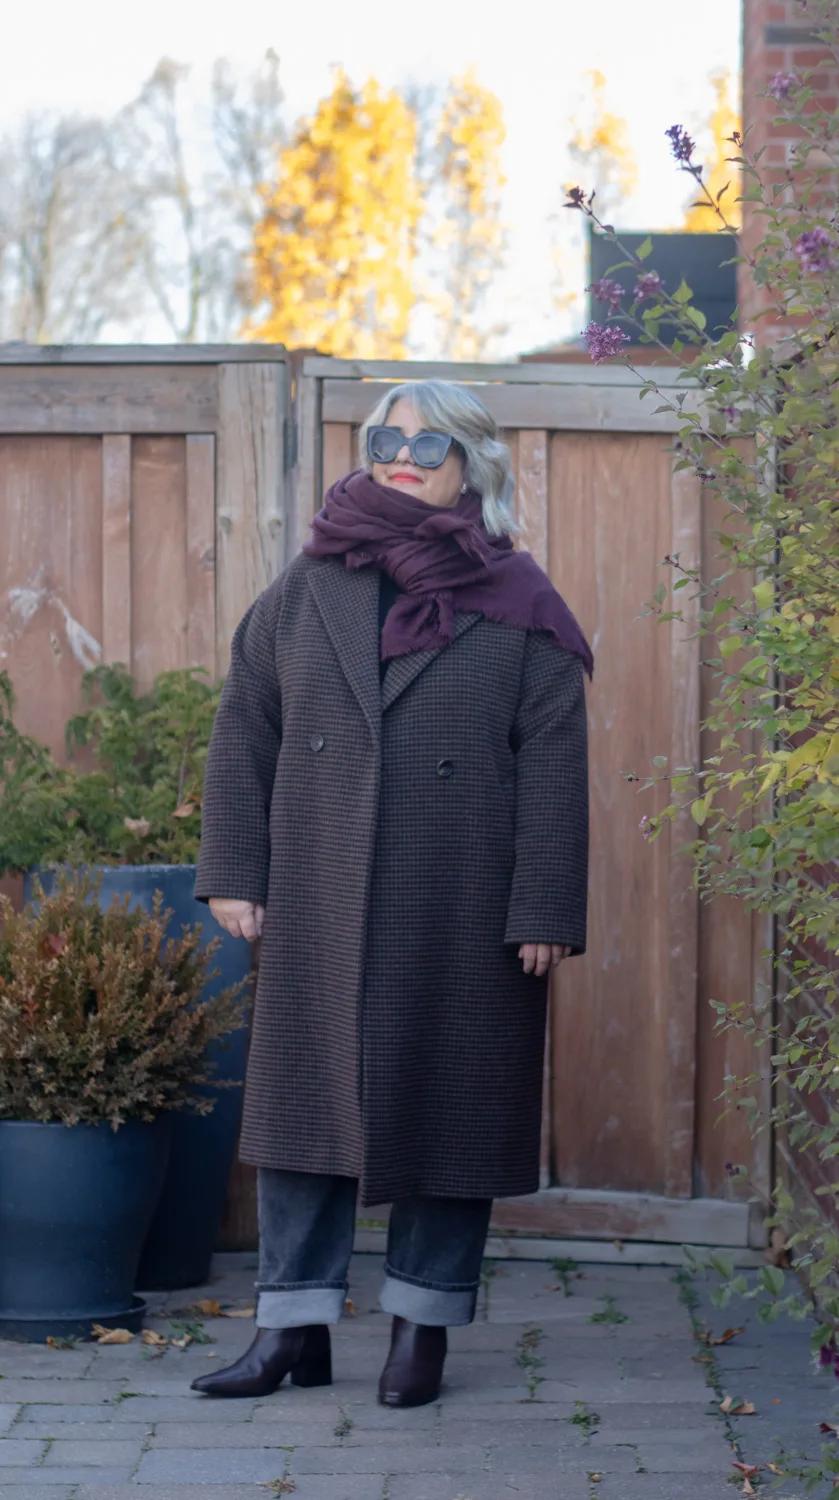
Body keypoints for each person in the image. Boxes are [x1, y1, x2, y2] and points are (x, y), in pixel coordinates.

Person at [190, 379, 593, 1408]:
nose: (402, 455)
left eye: (426, 440)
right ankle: (290, 1331)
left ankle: (423, 1329)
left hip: (462, 901)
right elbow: (244, 726)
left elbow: (551, 760)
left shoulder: (520, 601)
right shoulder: (306, 585)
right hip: (319, 888)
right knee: (301, 1122)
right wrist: (235, 870)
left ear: (470, 462)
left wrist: (543, 906)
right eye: (385, 437)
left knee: (448, 1121)